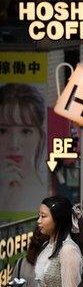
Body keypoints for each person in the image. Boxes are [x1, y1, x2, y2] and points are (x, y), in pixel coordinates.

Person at [0, 83, 47, 221]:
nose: (14, 144)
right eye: (2, 131)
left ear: (40, 135)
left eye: (26, 131)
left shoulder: (42, 194)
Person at [29, 196, 83, 287]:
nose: (38, 221)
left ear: (58, 219)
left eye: (43, 216)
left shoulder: (68, 251)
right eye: (39, 216)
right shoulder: (46, 246)